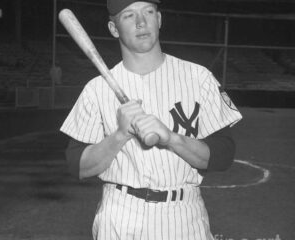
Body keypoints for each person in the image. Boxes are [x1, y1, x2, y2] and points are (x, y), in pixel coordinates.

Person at [60, 0, 242, 239]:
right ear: (114, 29)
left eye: (148, 11)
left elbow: (224, 155)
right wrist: (119, 135)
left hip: (184, 217)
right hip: (120, 217)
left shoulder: (199, 78)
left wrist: (173, 139)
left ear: (159, 19)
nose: (141, 22)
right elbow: (78, 166)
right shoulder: (96, 90)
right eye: (128, 15)